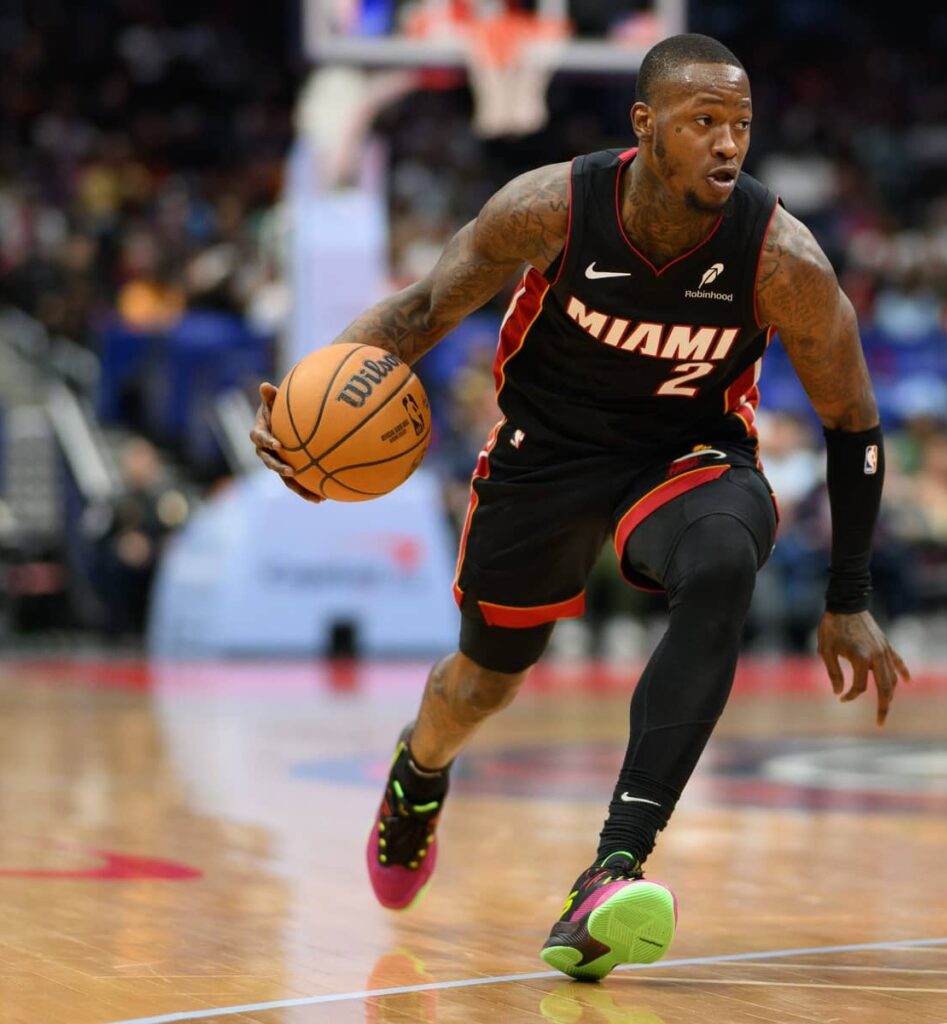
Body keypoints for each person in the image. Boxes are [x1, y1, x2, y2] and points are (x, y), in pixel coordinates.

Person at [251, 34, 909, 981]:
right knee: (484, 681)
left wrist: (848, 594)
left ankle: (612, 869)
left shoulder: (781, 260)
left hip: (685, 456)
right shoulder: (553, 207)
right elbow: (423, 309)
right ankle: (420, 768)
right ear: (645, 127)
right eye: (703, 122)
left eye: (741, 126)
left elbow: (854, 422)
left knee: (726, 555)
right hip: (546, 454)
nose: (728, 145)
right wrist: (311, 397)